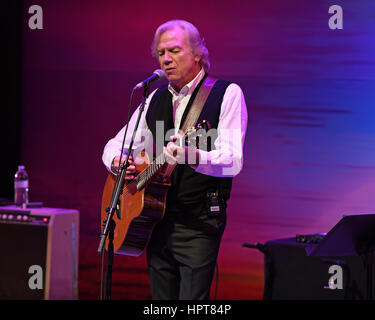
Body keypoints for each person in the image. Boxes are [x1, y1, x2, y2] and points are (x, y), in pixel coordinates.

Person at [102, 19, 247, 300]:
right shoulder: (154, 98)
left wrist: (193, 155)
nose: (166, 59)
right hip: (156, 220)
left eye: (175, 51)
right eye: (161, 53)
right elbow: (114, 145)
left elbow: (233, 161)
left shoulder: (226, 94)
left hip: (199, 221)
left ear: (197, 53)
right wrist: (116, 160)